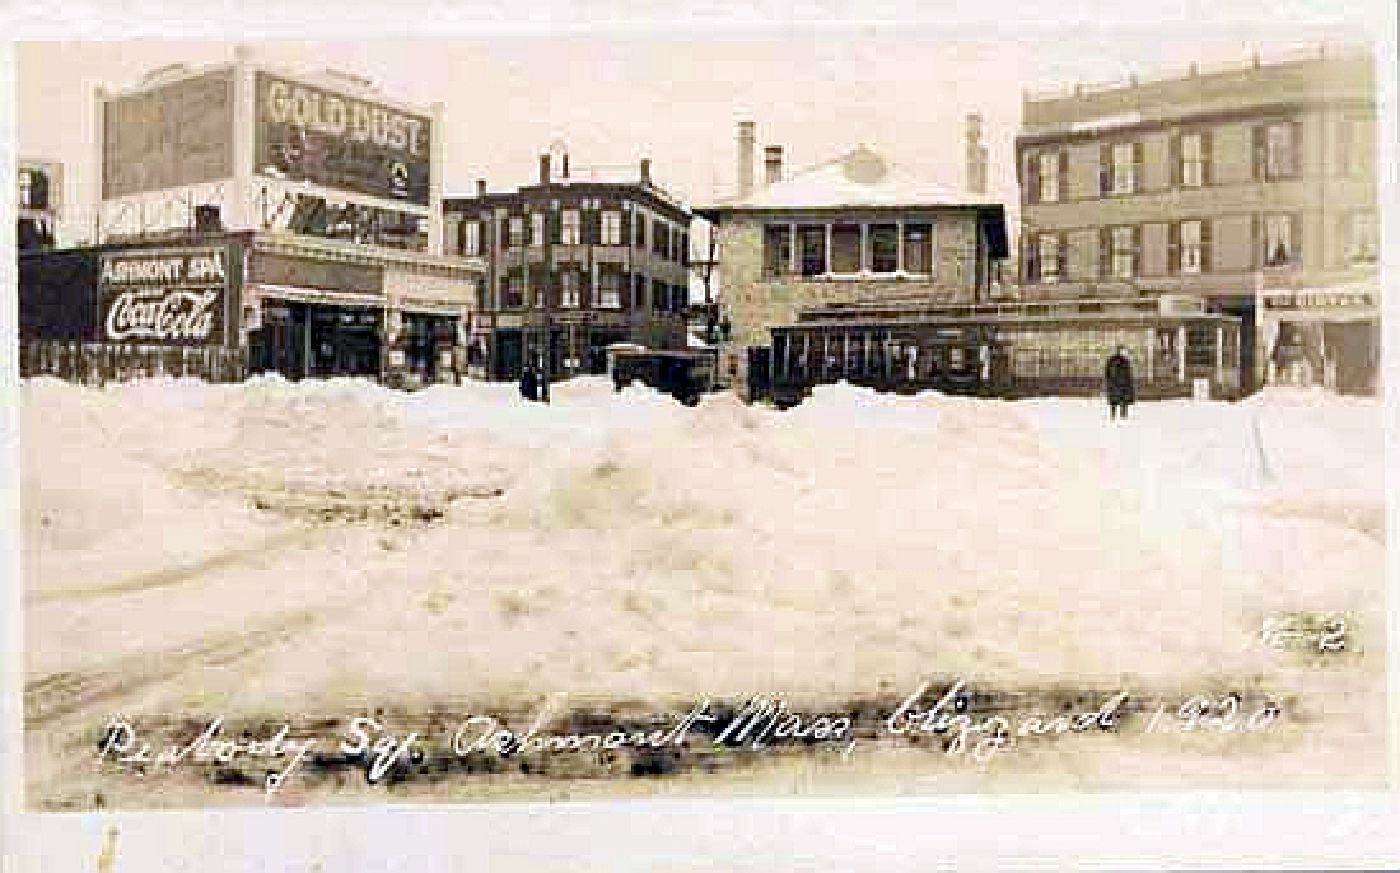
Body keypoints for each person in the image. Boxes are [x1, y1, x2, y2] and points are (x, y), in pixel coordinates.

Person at [1104, 345, 1135, 421]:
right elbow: (1108, 371)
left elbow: (1107, 372)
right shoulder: (1119, 361)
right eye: (1123, 351)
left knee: (1118, 400)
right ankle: (1119, 415)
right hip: (1119, 383)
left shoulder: (1115, 360)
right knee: (1119, 400)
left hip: (1118, 383)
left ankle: (1119, 415)